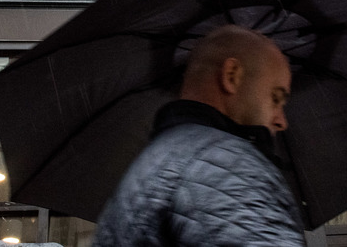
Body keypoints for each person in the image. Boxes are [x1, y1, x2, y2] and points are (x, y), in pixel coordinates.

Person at [91, 25, 306, 246]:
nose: (281, 120)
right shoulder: (222, 163)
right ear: (232, 75)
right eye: (276, 98)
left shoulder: (154, 162)